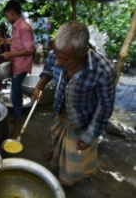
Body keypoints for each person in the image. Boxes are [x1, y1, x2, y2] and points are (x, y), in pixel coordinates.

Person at [31, 21, 116, 186]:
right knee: (56, 138)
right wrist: (38, 87)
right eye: (57, 55)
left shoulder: (103, 70)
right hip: (61, 110)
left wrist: (90, 134)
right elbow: (48, 70)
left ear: (83, 53)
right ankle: (56, 156)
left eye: (65, 59)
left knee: (74, 159)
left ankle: (66, 181)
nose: (58, 62)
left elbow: (105, 107)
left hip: (83, 119)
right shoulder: (57, 54)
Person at [2, 0, 35, 138]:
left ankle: (18, 123)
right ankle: (17, 117)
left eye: (7, 15)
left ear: (12, 13)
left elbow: (30, 49)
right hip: (16, 64)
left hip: (21, 65)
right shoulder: (16, 27)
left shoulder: (23, 27)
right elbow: (17, 44)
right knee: (17, 92)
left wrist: (11, 54)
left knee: (14, 93)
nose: (7, 18)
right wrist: (4, 41)